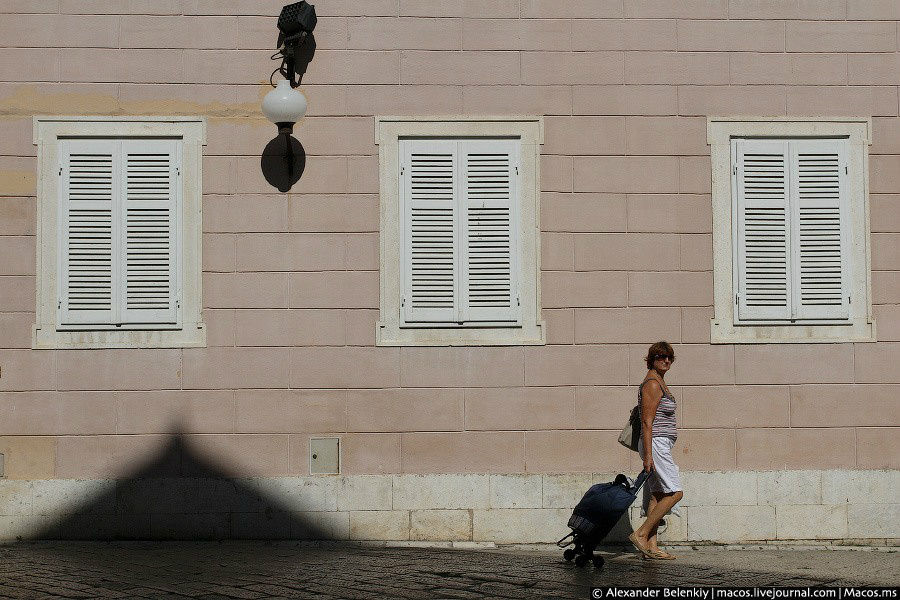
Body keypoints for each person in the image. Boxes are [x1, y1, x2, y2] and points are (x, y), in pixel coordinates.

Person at [628, 341, 684, 560]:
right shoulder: (652, 383)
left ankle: (651, 546)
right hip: (656, 443)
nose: (666, 360)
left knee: (657, 495)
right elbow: (647, 422)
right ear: (651, 359)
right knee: (675, 492)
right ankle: (641, 534)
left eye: (670, 357)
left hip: (660, 444)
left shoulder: (659, 381)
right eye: (661, 356)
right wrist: (649, 455)